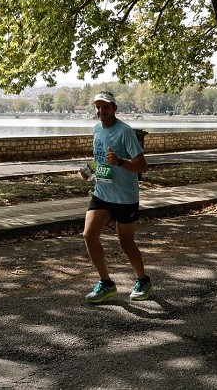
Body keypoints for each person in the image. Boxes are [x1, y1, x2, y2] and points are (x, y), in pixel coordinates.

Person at [82, 91, 152, 303]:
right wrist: (90, 169)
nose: (101, 111)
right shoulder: (96, 129)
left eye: (106, 107)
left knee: (126, 242)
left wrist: (121, 162)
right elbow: (102, 159)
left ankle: (143, 280)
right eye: (98, 107)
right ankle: (106, 283)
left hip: (125, 196)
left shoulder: (125, 131)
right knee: (89, 235)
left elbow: (143, 166)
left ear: (114, 108)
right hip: (102, 192)